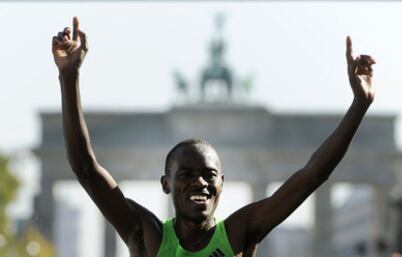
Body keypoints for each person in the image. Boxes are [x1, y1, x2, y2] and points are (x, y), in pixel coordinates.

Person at [52, 17, 376, 257]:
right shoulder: (147, 235)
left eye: (209, 176)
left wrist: (359, 105)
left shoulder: (239, 232)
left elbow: (313, 174)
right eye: (187, 175)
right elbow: (86, 170)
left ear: (222, 182)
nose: (200, 183)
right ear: (165, 184)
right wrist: (69, 77)